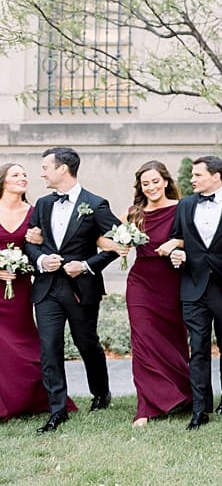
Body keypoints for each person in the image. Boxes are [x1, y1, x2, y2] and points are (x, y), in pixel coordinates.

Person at [24, 147, 119, 433]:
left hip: (81, 288)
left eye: (45, 167)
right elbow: (30, 242)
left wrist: (87, 265)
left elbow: (119, 242)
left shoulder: (95, 203)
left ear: (63, 169)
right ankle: (57, 409)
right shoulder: (41, 204)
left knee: (86, 342)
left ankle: (101, 393)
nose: (42, 173)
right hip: (47, 289)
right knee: (49, 347)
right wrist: (41, 259)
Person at [169, 155, 222, 430]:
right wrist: (176, 252)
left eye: (197, 175)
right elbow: (179, 237)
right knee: (199, 346)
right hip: (193, 285)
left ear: (216, 176)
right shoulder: (185, 204)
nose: (191, 179)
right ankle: (200, 408)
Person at [117, 161, 190, 426]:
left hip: (172, 281)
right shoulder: (134, 213)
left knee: (173, 340)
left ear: (166, 182)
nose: (151, 188)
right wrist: (122, 246)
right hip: (141, 282)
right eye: (145, 184)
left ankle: (180, 394)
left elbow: (193, 238)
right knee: (144, 341)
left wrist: (176, 243)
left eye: (155, 182)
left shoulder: (181, 208)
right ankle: (146, 407)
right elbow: (121, 240)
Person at [0, 163, 74, 422]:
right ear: (3, 181)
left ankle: (28, 398)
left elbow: (41, 249)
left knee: (23, 342)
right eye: (15, 175)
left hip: (20, 288)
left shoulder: (33, 213)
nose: (22, 178)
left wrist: (39, 245)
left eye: (24, 175)